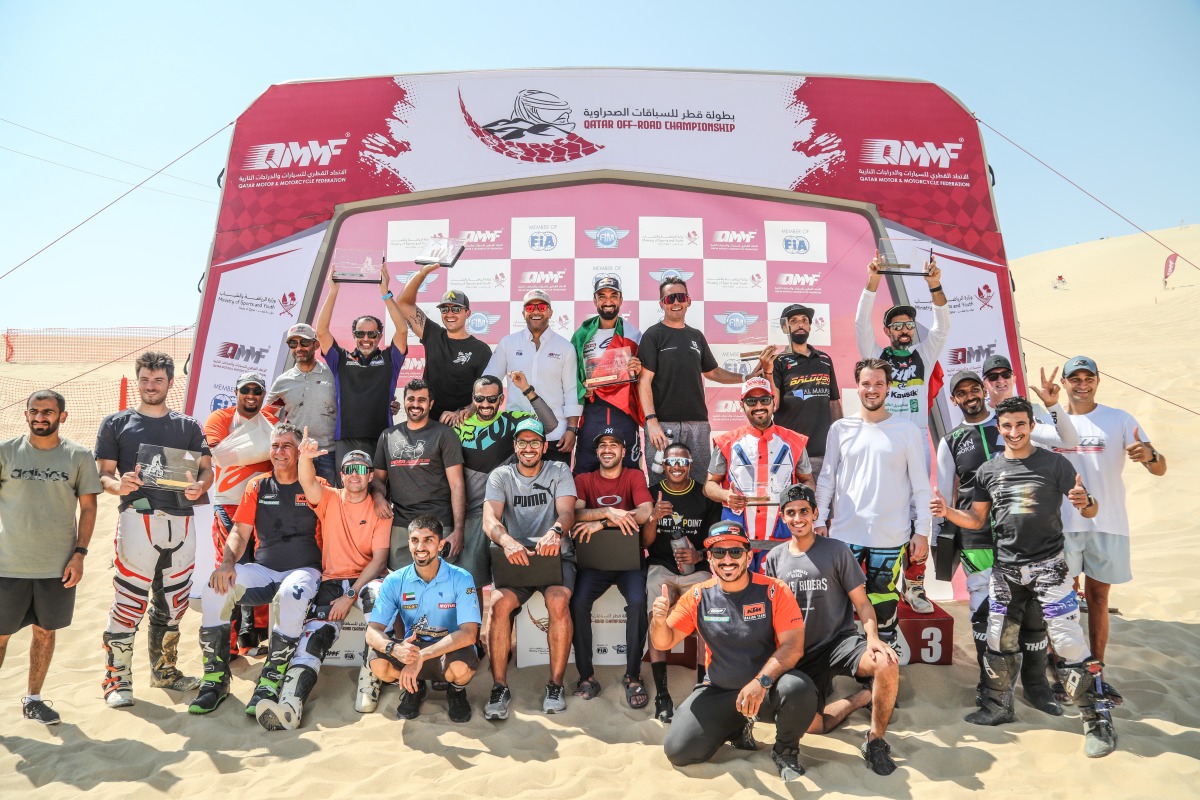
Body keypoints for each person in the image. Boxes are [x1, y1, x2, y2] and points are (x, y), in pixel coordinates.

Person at [932, 396, 1117, 758]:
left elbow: (1090, 505)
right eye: (1007, 426)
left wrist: (1083, 501)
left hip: (1050, 568)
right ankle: (998, 707)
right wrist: (947, 511)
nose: (1014, 431)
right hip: (1005, 570)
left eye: (1020, 424)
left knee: (1066, 643)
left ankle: (1096, 719)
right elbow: (976, 521)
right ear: (998, 429)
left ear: (1032, 425)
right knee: (1000, 640)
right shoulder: (989, 470)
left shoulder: (1055, 464)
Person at [936, 366, 1079, 715]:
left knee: (1033, 615)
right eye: (962, 393)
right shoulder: (951, 440)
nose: (970, 397)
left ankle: (1036, 686)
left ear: (984, 392)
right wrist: (936, 539)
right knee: (985, 614)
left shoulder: (1013, 423)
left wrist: (1053, 406)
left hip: (1026, 537)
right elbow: (944, 495)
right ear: (954, 399)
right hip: (977, 537)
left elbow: (1067, 441)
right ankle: (993, 690)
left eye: (974, 390)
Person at [651, 520, 819, 782]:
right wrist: (659, 620)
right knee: (679, 751)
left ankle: (785, 751)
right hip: (720, 689)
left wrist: (760, 682)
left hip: (767, 688)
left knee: (799, 688)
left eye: (735, 552)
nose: (727, 559)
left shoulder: (775, 590)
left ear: (749, 556)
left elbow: (793, 647)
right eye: (719, 553)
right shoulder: (698, 596)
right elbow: (663, 641)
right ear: (709, 559)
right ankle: (736, 727)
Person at [96, 352, 213, 708]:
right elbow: (103, 474)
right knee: (129, 600)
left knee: (175, 601)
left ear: (170, 383)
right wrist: (120, 486)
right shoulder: (116, 423)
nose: (151, 386)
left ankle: (165, 671)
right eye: (145, 380)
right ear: (138, 380)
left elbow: (207, 470)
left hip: (182, 521)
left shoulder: (188, 426)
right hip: (138, 519)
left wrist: (201, 486)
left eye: (158, 380)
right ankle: (116, 680)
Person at [763, 484, 901, 776]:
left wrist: (873, 639)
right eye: (791, 513)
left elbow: (863, 604)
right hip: (799, 653)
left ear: (815, 513)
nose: (798, 517)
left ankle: (875, 741)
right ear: (782, 517)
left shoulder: (837, 551)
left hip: (839, 643)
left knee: (886, 662)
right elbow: (771, 613)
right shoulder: (774, 558)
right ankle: (862, 697)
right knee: (817, 728)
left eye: (804, 511)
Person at [188, 423, 324, 717]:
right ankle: (215, 680)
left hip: (304, 571)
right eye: (275, 445)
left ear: (299, 450)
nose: (279, 451)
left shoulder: (315, 484)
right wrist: (227, 563)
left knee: (292, 592)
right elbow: (239, 531)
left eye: (287, 445)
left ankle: (270, 681)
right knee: (214, 590)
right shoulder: (257, 485)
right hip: (264, 570)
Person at [254, 441, 389, 730]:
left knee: (378, 599)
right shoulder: (330, 498)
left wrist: (350, 596)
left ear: (369, 476)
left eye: (361, 469)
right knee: (315, 635)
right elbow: (306, 480)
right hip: (331, 580)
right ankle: (290, 705)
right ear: (342, 475)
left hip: (365, 579)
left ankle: (369, 681)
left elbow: (378, 561)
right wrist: (305, 456)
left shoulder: (380, 509)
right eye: (349, 469)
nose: (355, 475)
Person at [1056, 355, 1166, 673]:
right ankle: (1064, 662)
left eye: (1088, 378)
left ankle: (1096, 664)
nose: (1082, 384)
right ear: (1064, 383)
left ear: (1097, 381)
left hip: (1109, 523)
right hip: (1061, 524)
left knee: (1098, 597)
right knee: (1061, 598)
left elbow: (1158, 468)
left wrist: (1151, 454)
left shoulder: (1119, 419)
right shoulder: (1052, 419)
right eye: (1074, 378)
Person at [855, 252, 949, 614]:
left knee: (917, 513)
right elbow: (861, 324)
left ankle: (914, 585)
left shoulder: (925, 353)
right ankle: (870, 583)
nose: (904, 328)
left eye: (909, 323)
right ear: (889, 331)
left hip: (916, 444)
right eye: (897, 325)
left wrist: (934, 285)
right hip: (881, 443)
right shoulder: (876, 357)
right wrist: (873, 282)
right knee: (878, 510)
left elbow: (942, 325)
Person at [815, 358, 931, 653]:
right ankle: (837, 666)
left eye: (879, 383)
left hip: (890, 537)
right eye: (866, 383)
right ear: (857, 386)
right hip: (844, 536)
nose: (872, 389)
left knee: (883, 605)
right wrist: (819, 521)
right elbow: (827, 477)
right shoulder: (840, 428)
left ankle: (884, 675)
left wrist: (923, 532)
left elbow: (920, 485)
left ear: (889, 387)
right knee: (838, 604)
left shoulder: (906, 430)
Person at [0, 390, 101, 724]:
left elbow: (89, 507)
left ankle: (33, 699)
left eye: (48, 412)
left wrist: (80, 555)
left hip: (57, 567)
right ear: (26, 414)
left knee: (45, 632)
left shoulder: (79, 456)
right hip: (7, 563)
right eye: (34, 411)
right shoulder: (5, 452)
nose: (40, 417)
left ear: (62, 416)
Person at [481, 418, 577, 718]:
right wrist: (507, 541)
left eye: (534, 442)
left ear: (544, 446)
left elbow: (567, 512)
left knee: (558, 599)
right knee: (498, 604)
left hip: (555, 555)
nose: (528, 448)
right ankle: (499, 687)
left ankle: (556, 684)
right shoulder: (501, 475)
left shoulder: (559, 470)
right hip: (517, 557)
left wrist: (557, 531)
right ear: (515, 446)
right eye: (522, 442)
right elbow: (489, 520)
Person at [363, 515, 481, 723]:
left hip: (448, 648)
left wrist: (422, 657)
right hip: (412, 649)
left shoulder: (461, 578)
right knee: (378, 664)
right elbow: (372, 631)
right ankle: (414, 689)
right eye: (415, 540)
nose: (420, 547)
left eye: (428, 540)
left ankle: (456, 692)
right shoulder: (395, 580)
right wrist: (394, 649)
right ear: (408, 543)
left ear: (441, 544)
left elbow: (470, 635)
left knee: (462, 669)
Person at [569, 428, 653, 708]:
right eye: (602, 445)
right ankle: (586, 676)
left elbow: (644, 513)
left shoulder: (634, 476)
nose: (607, 449)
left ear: (623, 451)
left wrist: (603, 523)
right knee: (578, 602)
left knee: (639, 602)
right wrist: (606, 511)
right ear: (596, 452)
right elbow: (574, 514)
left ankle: (632, 675)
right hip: (595, 562)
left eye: (613, 445)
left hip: (630, 561)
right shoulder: (583, 479)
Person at [454, 372, 558, 595]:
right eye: (480, 398)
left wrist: (526, 389)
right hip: (474, 515)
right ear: (472, 399)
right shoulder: (457, 426)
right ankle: (474, 630)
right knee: (471, 584)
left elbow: (550, 425)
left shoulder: (512, 420)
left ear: (501, 399)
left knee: (509, 585)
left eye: (492, 399)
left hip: (511, 515)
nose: (485, 404)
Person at [642, 441, 722, 722]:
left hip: (697, 570)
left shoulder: (705, 495)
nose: (677, 467)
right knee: (657, 614)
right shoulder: (652, 493)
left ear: (690, 465)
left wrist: (699, 552)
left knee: (706, 616)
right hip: (661, 566)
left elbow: (716, 540)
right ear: (662, 465)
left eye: (683, 462)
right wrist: (653, 517)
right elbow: (645, 543)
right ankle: (662, 694)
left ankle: (702, 687)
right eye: (671, 462)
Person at [638, 276, 745, 482]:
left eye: (680, 297)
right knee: (660, 481)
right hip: (663, 425)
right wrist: (651, 421)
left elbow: (713, 372)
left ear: (688, 300)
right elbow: (644, 382)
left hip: (698, 423)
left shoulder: (696, 336)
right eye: (670, 299)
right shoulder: (653, 335)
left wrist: (746, 377)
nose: (676, 302)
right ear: (662, 304)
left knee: (700, 481)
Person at [204, 371, 279, 654]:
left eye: (257, 391)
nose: (251, 395)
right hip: (230, 504)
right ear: (236, 392)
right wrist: (264, 450)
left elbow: (283, 453)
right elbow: (220, 455)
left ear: (263, 394)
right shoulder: (220, 419)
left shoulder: (271, 422)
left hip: (265, 504)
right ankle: (229, 645)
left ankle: (253, 636)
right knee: (229, 569)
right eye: (245, 390)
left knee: (261, 569)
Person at [315, 265, 409, 471]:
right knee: (347, 495)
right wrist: (333, 292)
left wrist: (385, 294)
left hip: (383, 436)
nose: (366, 339)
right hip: (346, 437)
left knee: (380, 493)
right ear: (354, 336)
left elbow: (402, 329)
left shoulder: (389, 359)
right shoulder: (340, 359)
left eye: (372, 334)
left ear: (379, 336)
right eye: (360, 334)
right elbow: (321, 331)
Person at [705, 377, 814, 547]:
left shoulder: (794, 441)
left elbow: (807, 480)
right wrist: (726, 495)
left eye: (764, 400)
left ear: (773, 402)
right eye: (751, 401)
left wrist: (800, 501)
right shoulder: (726, 442)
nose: (759, 406)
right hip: (738, 540)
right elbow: (709, 485)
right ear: (742, 405)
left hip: (781, 538)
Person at [371, 379, 466, 571]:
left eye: (422, 400)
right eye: (411, 399)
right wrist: (378, 497)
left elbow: (457, 485)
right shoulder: (387, 436)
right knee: (404, 588)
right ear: (404, 401)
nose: (415, 404)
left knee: (440, 589)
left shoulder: (444, 434)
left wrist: (458, 530)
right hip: (401, 525)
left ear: (430, 404)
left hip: (439, 522)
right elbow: (378, 480)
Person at [483, 289, 582, 463]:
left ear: (550, 312)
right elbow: (488, 383)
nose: (536, 311)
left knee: (556, 489)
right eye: (530, 308)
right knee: (516, 489)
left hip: (554, 436)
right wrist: (470, 409)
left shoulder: (565, 348)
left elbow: (571, 393)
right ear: (523, 313)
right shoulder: (508, 343)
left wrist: (572, 429)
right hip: (517, 433)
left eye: (542, 306)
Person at [397, 268, 492, 424]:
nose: (449, 314)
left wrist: (465, 411)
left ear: (467, 313)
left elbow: (486, 392)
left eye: (456, 309)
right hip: (429, 424)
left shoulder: (481, 350)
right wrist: (422, 273)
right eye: (444, 309)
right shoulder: (433, 334)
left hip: (462, 425)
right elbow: (403, 303)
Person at [570, 275, 644, 474]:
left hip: (624, 411)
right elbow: (570, 372)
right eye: (602, 296)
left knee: (629, 468)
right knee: (585, 467)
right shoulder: (582, 334)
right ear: (595, 301)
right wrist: (581, 389)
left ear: (621, 300)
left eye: (613, 295)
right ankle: (583, 506)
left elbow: (645, 379)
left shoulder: (634, 334)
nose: (608, 301)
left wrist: (639, 368)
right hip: (593, 410)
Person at [762, 303, 842, 477]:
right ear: (784, 328)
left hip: (823, 452)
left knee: (823, 504)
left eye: (804, 320)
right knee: (792, 504)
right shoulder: (778, 361)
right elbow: (773, 405)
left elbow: (834, 401)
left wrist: (841, 439)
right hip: (790, 451)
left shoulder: (824, 359)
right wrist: (767, 371)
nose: (800, 324)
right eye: (794, 321)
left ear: (810, 327)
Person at [265, 323, 338, 483]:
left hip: (328, 454)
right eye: (293, 343)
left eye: (304, 342)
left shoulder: (333, 375)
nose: (299, 348)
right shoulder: (283, 381)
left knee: (326, 503)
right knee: (296, 504)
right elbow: (267, 415)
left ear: (316, 344)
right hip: (296, 455)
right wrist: (284, 440)